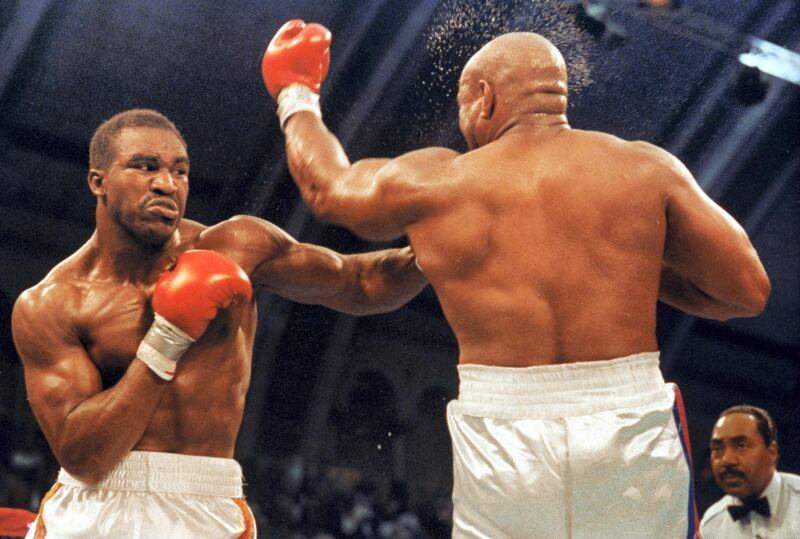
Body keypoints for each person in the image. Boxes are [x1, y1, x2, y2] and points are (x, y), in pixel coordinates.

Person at [261, 20, 771, 538]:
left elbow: (328, 189)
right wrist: (636, 265)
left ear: (483, 97)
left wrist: (294, 93)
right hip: (628, 420)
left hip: (504, 431)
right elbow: (746, 290)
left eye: (461, 106)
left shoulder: (440, 181)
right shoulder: (643, 167)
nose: (462, 125)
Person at [10, 108, 427, 539]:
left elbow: (360, 281)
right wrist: (167, 340)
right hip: (94, 509)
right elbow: (85, 457)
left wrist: (434, 249)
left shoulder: (237, 246)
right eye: (145, 166)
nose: (167, 184)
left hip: (203, 504)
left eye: (180, 171)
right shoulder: (52, 303)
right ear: (98, 182)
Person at [700, 405, 800, 538]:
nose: (727, 460)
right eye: (717, 448)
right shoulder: (711, 525)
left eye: (741, 445)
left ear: (772, 451)